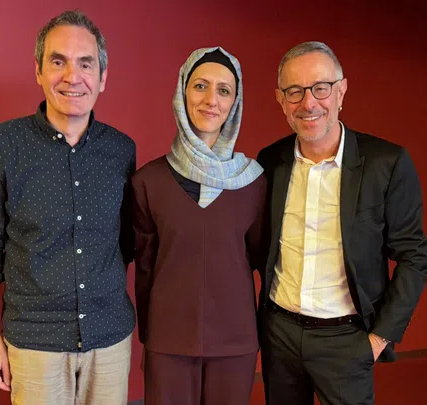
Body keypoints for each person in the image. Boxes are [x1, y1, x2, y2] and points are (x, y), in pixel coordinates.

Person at [0, 10, 136, 405]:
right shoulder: (1, 146)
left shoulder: (121, 150)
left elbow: (126, 242)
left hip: (109, 338)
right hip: (34, 341)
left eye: (86, 64)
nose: (73, 76)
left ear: (102, 77)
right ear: (38, 71)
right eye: (58, 62)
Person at [256, 41, 427, 405]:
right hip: (279, 334)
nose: (308, 103)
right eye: (294, 91)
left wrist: (378, 339)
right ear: (280, 99)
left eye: (321, 88)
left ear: (341, 91)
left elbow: (414, 257)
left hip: (346, 339)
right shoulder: (269, 161)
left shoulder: (387, 163)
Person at [131, 47, 266, 405]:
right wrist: (150, 335)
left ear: (235, 102)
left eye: (224, 90)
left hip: (235, 341)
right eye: (200, 86)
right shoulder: (148, 181)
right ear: (182, 92)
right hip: (168, 339)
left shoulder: (254, 182)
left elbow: (261, 261)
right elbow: (145, 268)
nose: (211, 100)